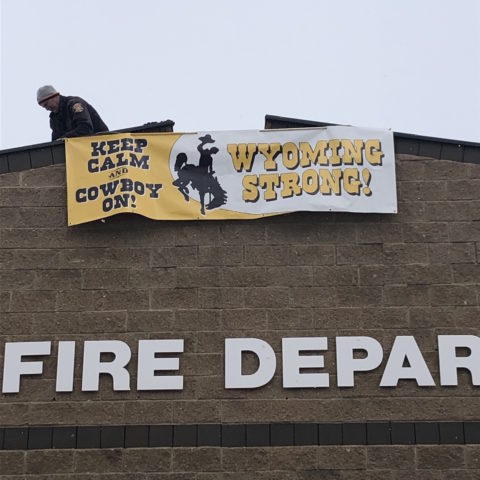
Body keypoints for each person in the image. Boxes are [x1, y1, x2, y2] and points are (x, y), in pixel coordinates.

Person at [37, 85, 108, 141]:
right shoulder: (54, 118)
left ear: (54, 96)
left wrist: (64, 139)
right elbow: (55, 141)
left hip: (101, 146)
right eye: (44, 107)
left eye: (46, 104)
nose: (47, 109)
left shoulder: (74, 104)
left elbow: (86, 128)